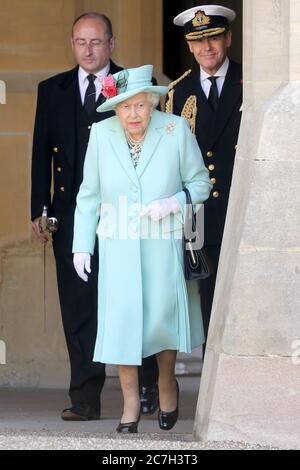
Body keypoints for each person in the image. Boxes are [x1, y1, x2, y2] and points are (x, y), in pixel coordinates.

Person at [31, 12, 158, 421]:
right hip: (70, 217)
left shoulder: (132, 87)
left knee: (133, 303)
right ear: (72, 45)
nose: (89, 50)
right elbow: (40, 155)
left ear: (111, 44)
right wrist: (41, 209)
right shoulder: (51, 89)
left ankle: (146, 386)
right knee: (79, 307)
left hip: (125, 215)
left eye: (96, 42)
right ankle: (85, 398)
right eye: (81, 42)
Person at [72, 64, 212, 433]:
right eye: (124, 107)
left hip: (162, 241)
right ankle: (130, 402)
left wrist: (174, 202)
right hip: (117, 243)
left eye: (140, 105)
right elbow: (89, 195)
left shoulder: (174, 129)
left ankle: (166, 382)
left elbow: (200, 185)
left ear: (152, 102)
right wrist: (81, 247)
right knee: (122, 323)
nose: (133, 114)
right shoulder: (100, 134)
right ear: (114, 109)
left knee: (161, 321)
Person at [166, 5, 242, 349]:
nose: (206, 48)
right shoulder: (176, 94)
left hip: (243, 210)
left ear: (228, 38)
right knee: (207, 305)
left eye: (213, 38)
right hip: (199, 218)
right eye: (198, 41)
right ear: (189, 46)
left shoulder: (250, 83)